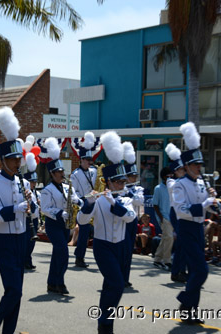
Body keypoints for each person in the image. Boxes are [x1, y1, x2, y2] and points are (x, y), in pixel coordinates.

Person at [0, 107, 36, 334]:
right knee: (14, 290)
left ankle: (8, 331)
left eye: (18, 159)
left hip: (22, 238)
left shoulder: (22, 183)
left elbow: (30, 212)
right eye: (12, 160)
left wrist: (33, 206)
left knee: (17, 291)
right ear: (2, 160)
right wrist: (14, 209)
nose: (17, 163)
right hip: (4, 242)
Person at [77, 131, 137, 334]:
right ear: (108, 182)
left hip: (120, 246)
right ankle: (104, 320)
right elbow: (81, 221)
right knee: (117, 284)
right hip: (103, 247)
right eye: (118, 182)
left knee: (110, 286)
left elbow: (130, 217)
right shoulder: (99, 199)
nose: (122, 185)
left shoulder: (125, 199)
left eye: (123, 182)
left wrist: (115, 202)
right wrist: (88, 204)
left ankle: (105, 323)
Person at [172, 122, 218, 325]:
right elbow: (181, 210)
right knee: (201, 270)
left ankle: (190, 310)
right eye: (195, 165)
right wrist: (205, 204)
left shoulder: (201, 183)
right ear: (187, 166)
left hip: (199, 228)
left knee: (195, 270)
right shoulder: (179, 185)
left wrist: (214, 204)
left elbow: (207, 207)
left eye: (200, 165)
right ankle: (185, 301)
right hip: (187, 229)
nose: (199, 168)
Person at [40, 137, 82, 295]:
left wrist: (80, 201)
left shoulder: (67, 187)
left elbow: (74, 198)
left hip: (66, 225)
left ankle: (52, 283)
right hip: (54, 224)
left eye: (62, 171)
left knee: (58, 253)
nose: (61, 174)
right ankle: (60, 282)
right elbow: (45, 208)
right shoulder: (47, 190)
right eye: (58, 172)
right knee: (63, 251)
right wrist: (60, 213)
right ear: (52, 174)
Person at [70, 131, 97, 268]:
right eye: (87, 161)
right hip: (84, 204)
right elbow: (73, 192)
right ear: (81, 160)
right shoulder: (75, 174)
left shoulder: (94, 171)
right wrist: (80, 202)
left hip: (96, 201)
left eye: (90, 161)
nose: (89, 163)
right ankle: (79, 257)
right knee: (84, 232)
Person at [164, 143, 188, 283]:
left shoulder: (184, 180)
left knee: (185, 244)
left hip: (185, 212)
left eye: (183, 169)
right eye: (180, 169)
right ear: (174, 171)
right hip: (176, 212)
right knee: (181, 243)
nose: (183, 171)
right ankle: (176, 271)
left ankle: (182, 270)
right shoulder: (171, 181)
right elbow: (176, 187)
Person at [122, 141, 144, 288]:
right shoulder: (121, 188)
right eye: (131, 176)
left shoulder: (138, 189)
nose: (134, 178)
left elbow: (139, 201)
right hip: (123, 221)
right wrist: (126, 191)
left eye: (135, 176)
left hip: (133, 221)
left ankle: (126, 277)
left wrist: (130, 193)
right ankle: (119, 276)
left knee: (129, 250)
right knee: (121, 250)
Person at [152, 166, 174, 270]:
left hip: (173, 217)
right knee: (169, 237)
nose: (170, 177)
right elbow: (155, 205)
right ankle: (167, 261)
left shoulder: (174, 187)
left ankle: (157, 259)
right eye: (167, 175)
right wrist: (161, 218)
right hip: (163, 217)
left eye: (171, 174)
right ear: (163, 177)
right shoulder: (158, 188)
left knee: (166, 238)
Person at [24, 152, 40, 270]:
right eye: (32, 182)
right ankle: (25, 261)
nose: (34, 184)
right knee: (27, 243)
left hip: (34, 220)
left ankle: (28, 260)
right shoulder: (26, 191)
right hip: (27, 220)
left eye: (34, 182)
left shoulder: (36, 192)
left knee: (32, 244)